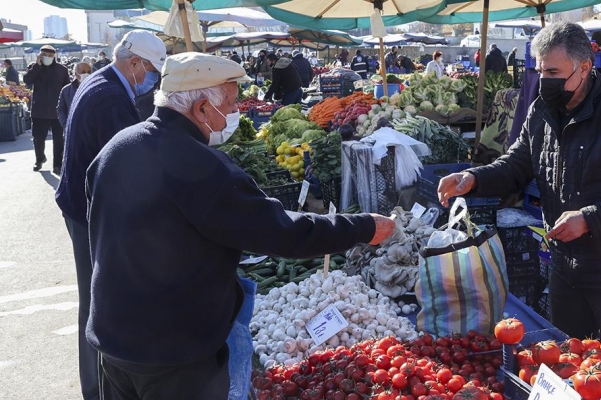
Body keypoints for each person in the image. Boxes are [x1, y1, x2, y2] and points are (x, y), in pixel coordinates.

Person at [86, 52, 395, 399]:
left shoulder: (115, 148)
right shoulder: (202, 167)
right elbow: (282, 232)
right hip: (174, 355)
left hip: (112, 340)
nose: (234, 113)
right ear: (202, 107)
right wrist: (363, 227)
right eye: (231, 104)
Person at [437, 22, 601, 341]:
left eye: (553, 72)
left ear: (585, 68)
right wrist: (472, 178)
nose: (544, 81)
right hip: (566, 267)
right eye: (540, 72)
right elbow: (516, 164)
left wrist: (590, 218)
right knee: (569, 361)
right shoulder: (542, 110)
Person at [54, 30, 166, 400]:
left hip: (78, 205)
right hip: (87, 214)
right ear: (134, 63)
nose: (151, 82)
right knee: (98, 304)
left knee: (94, 299)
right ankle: (99, 390)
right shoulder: (110, 99)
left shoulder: (100, 81)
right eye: (150, 71)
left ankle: (96, 386)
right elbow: (126, 164)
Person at [24, 45, 70, 173]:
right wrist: (37, 66)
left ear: (54, 56)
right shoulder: (34, 67)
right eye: (45, 55)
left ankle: (57, 164)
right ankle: (39, 159)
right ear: (40, 55)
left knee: (58, 139)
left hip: (58, 110)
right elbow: (27, 80)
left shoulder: (62, 70)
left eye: (50, 56)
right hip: (39, 109)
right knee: (38, 138)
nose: (48, 58)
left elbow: (67, 88)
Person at [56, 62, 92, 129]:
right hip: (73, 130)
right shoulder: (66, 90)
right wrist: (66, 125)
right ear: (76, 74)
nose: (86, 74)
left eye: (89, 72)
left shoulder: (96, 89)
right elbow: (61, 109)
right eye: (83, 72)